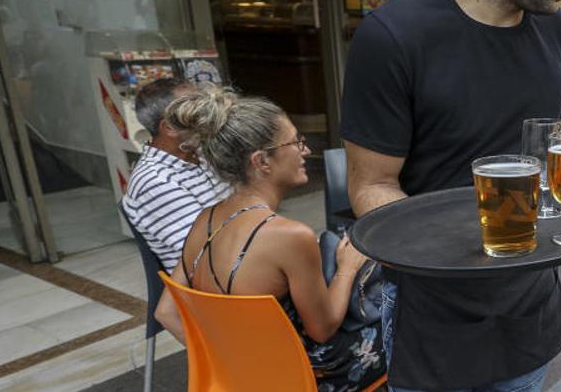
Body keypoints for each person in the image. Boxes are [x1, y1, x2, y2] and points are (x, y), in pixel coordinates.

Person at [340, 0, 561, 388]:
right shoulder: (394, 35)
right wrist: (463, 249)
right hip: (436, 327)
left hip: (533, 321)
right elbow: (372, 188)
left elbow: (556, 148)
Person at [153, 87, 385, 391]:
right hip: (311, 373)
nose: (305, 150)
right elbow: (323, 329)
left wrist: (234, 367)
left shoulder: (204, 221)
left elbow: (165, 312)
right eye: (295, 142)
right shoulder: (288, 236)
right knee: (404, 318)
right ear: (262, 161)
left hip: (255, 372)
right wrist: (347, 267)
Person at [122, 78, 232, 272]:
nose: (208, 115)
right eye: (197, 111)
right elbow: (208, 252)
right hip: (212, 282)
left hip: (237, 259)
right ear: (170, 128)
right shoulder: (155, 181)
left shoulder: (200, 153)